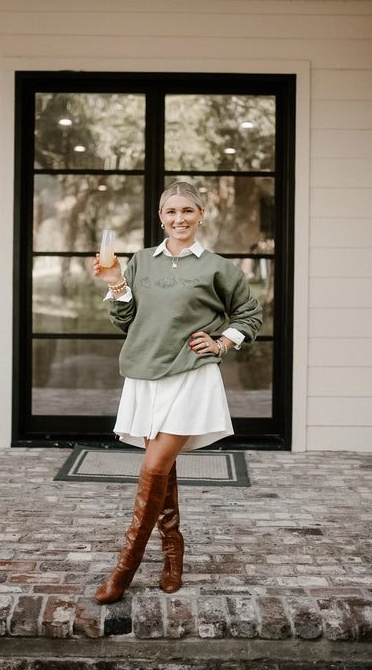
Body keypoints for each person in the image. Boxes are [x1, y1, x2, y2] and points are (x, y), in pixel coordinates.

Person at [92, 181, 263, 604]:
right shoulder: (139, 261)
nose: (179, 219)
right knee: (162, 472)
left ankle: (123, 569)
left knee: (153, 468)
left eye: (188, 211)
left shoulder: (219, 267)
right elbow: (124, 318)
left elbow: (249, 313)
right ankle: (173, 552)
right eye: (171, 212)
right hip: (144, 374)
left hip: (190, 373)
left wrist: (224, 341)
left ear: (201, 215)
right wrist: (115, 281)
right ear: (161, 217)